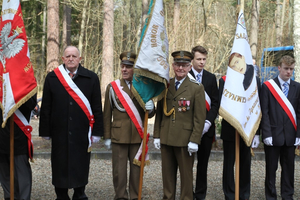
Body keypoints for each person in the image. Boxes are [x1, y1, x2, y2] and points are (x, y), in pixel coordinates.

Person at [39, 46, 103, 200]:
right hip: (59, 131)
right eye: (67, 56)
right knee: (59, 163)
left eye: (74, 56)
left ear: (80, 59)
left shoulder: (91, 78)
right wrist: (45, 131)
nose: (71, 59)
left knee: (80, 163)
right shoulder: (52, 78)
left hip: (82, 132)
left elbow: (97, 108)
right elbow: (46, 107)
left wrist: (97, 132)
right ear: (63, 59)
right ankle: (61, 195)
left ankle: (79, 193)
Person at [153, 50, 206, 200]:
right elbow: (160, 113)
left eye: (184, 65)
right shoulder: (165, 85)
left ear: (190, 67)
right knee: (167, 176)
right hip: (167, 137)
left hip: (185, 140)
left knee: (186, 177)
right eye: (177, 65)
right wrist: (157, 135)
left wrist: (195, 140)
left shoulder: (196, 88)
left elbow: (199, 117)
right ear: (173, 66)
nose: (180, 68)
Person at [103, 52, 155, 200]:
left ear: (135, 69)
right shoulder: (113, 87)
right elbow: (106, 114)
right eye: (123, 66)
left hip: (137, 136)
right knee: (119, 171)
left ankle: (134, 196)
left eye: (129, 67)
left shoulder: (143, 87)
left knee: (136, 170)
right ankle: (120, 197)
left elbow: (149, 115)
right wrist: (106, 136)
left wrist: (151, 108)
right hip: (119, 136)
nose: (124, 69)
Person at [261, 55, 300, 200]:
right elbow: (264, 112)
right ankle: (271, 196)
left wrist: (298, 135)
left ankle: (287, 195)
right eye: (286, 69)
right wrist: (266, 134)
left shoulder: (297, 87)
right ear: (279, 68)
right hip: (273, 134)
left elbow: (299, 113)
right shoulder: (267, 86)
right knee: (271, 169)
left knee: (289, 169)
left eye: (291, 69)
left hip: (290, 136)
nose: (288, 72)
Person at [219, 74, 260, 200]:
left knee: (245, 163)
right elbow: (221, 103)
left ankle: (244, 193)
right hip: (230, 128)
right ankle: (230, 194)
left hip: (247, 128)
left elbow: (258, 105)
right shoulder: (224, 79)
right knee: (229, 164)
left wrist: (257, 133)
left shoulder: (254, 80)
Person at [189, 45, 219, 200]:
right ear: (192, 59)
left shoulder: (211, 78)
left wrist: (208, 122)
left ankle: (200, 195)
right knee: (187, 165)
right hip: (188, 128)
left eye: (204, 59)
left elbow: (215, 103)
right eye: (199, 59)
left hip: (207, 130)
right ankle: (187, 193)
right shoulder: (185, 76)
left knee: (203, 165)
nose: (202, 62)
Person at [0, 95, 36, 200]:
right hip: (1, 135)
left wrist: (15, 92)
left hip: (18, 134)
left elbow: (31, 104)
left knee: (22, 174)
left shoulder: (25, 79)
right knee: (5, 175)